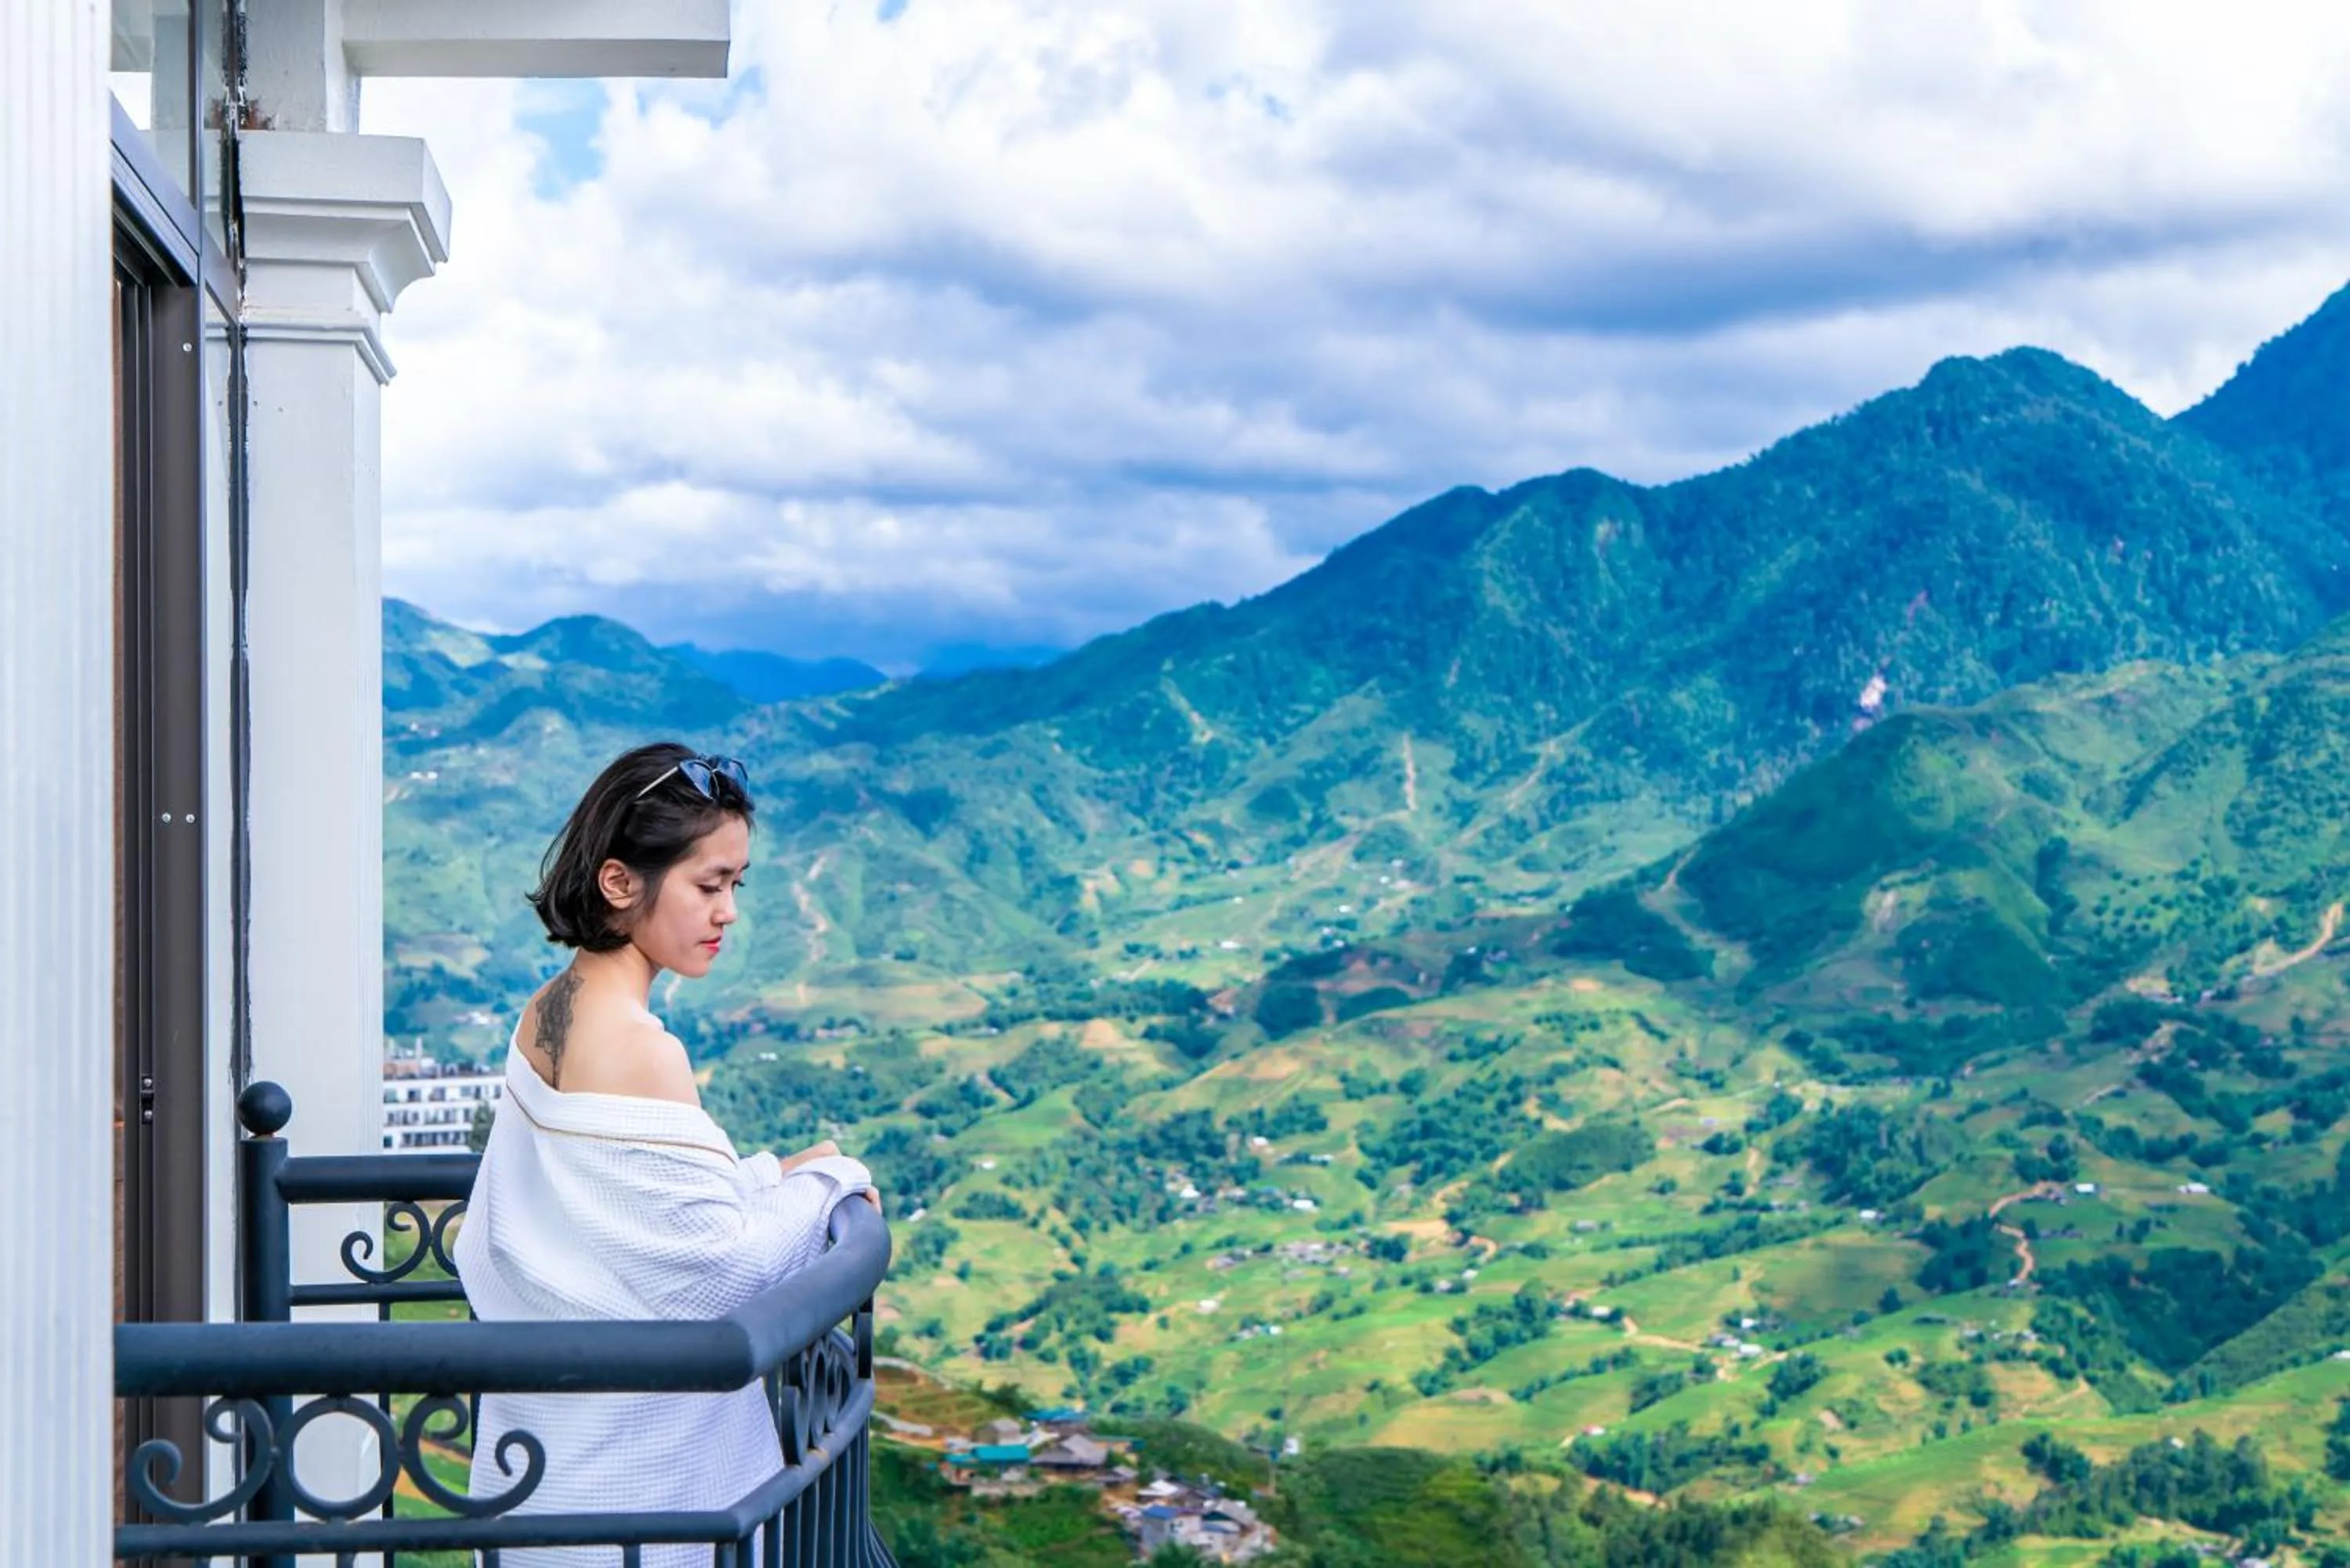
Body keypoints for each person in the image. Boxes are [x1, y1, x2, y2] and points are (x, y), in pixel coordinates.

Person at [452, 742, 877, 1566]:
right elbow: (721, 1270)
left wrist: (772, 1175)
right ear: (620, 881)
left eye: (736, 885)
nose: (729, 912)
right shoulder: (644, 1047)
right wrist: (832, 1179)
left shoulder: (550, 1009)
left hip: (541, 1472)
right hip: (633, 1498)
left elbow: (629, 1205)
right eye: (709, 884)